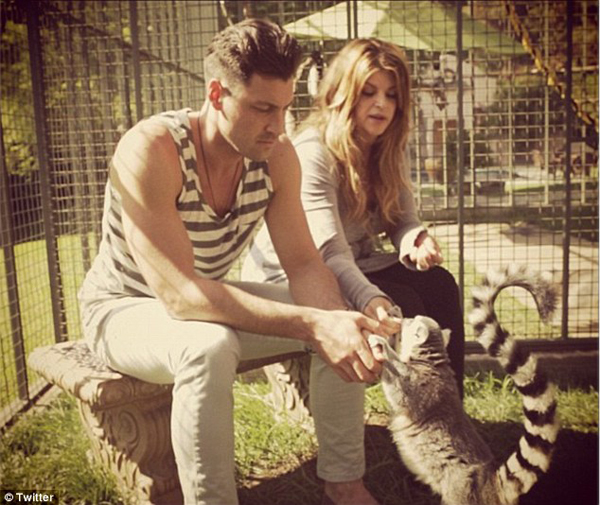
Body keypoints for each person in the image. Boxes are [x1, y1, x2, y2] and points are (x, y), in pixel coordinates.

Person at [78, 20, 389, 505]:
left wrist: (332, 322)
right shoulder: (151, 149)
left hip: (205, 300)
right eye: (262, 108)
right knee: (208, 345)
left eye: (284, 108)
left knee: (341, 317)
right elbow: (180, 296)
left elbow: (305, 265)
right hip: (123, 309)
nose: (277, 126)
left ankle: (344, 484)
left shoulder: (277, 156)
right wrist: (310, 323)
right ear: (216, 93)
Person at [242, 38, 465, 397]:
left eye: (392, 95)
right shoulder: (314, 151)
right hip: (293, 275)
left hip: (353, 262)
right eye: (368, 92)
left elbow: (403, 221)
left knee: (439, 285)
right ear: (343, 94)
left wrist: (416, 239)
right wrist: (370, 298)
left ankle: (449, 408)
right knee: (404, 305)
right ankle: (418, 411)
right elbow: (328, 254)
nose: (381, 104)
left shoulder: (389, 146)